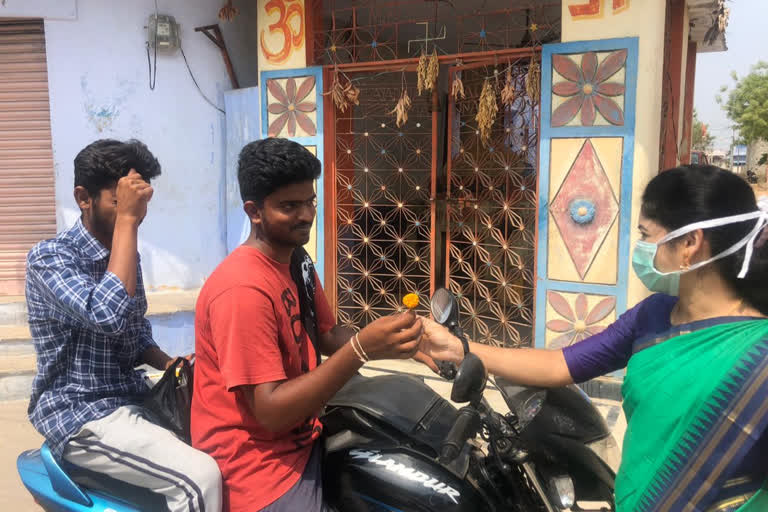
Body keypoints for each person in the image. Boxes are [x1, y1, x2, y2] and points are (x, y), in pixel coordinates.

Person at [419, 165, 768, 511]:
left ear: (690, 243)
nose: (641, 248)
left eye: (647, 235)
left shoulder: (760, 355)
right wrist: (460, 348)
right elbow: (560, 364)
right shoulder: (654, 315)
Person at [191, 138, 424, 512]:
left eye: (310, 201)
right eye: (289, 206)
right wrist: (362, 348)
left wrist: (401, 343)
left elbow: (328, 335)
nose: (306, 215)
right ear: (254, 211)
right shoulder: (241, 290)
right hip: (256, 466)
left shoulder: (296, 260)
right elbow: (270, 412)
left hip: (304, 432)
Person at [26, 139, 222, 512]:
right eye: (122, 202)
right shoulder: (50, 258)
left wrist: (168, 363)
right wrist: (127, 225)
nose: (136, 213)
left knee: (227, 441)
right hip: (80, 411)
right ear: (84, 198)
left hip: (132, 396)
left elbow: (133, 333)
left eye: (140, 203)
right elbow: (107, 315)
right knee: (200, 478)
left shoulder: (126, 253)